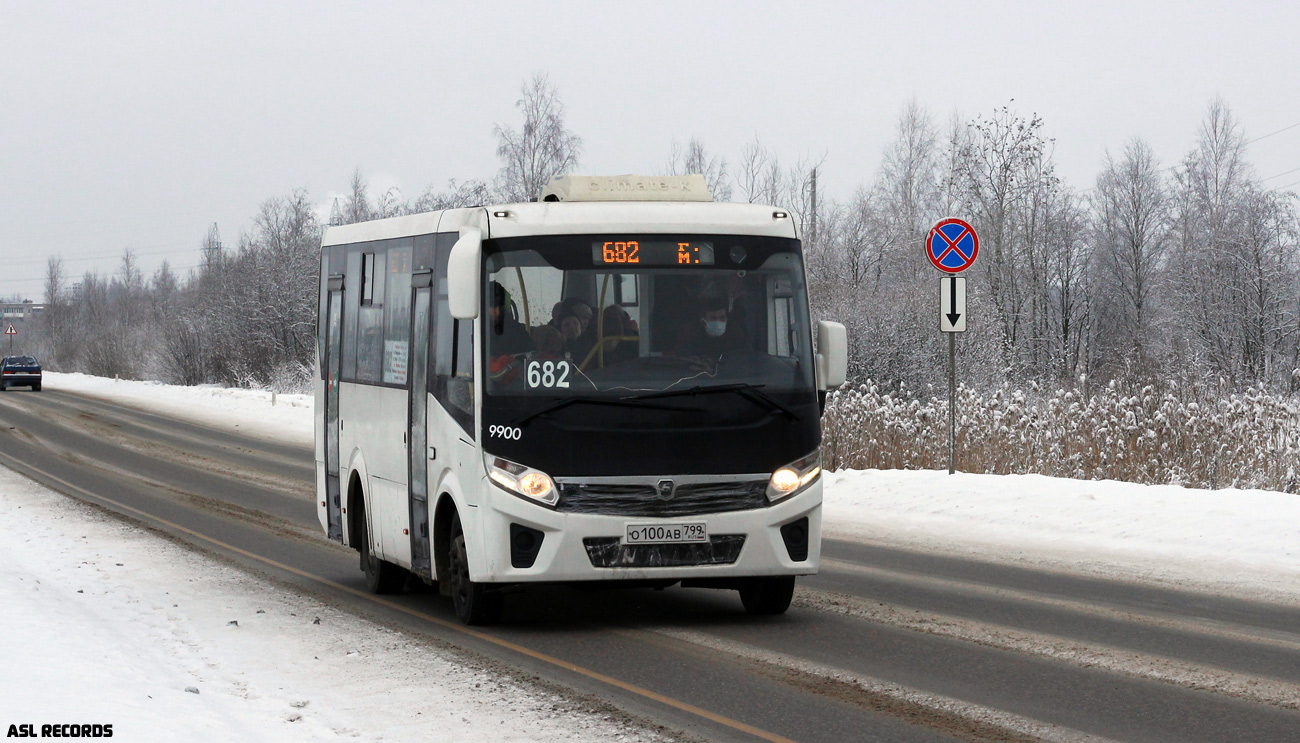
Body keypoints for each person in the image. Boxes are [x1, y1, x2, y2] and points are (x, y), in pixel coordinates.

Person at [675, 293, 748, 358]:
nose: (718, 322)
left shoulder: (736, 336)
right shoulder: (691, 338)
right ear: (703, 320)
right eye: (713, 318)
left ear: (727, 318)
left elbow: (744, 358)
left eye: (722, 317)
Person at [487, 281, 533, 356]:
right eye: (493, 307)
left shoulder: (519, 333)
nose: (497, 312)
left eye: (500, 306)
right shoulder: (478, 334)